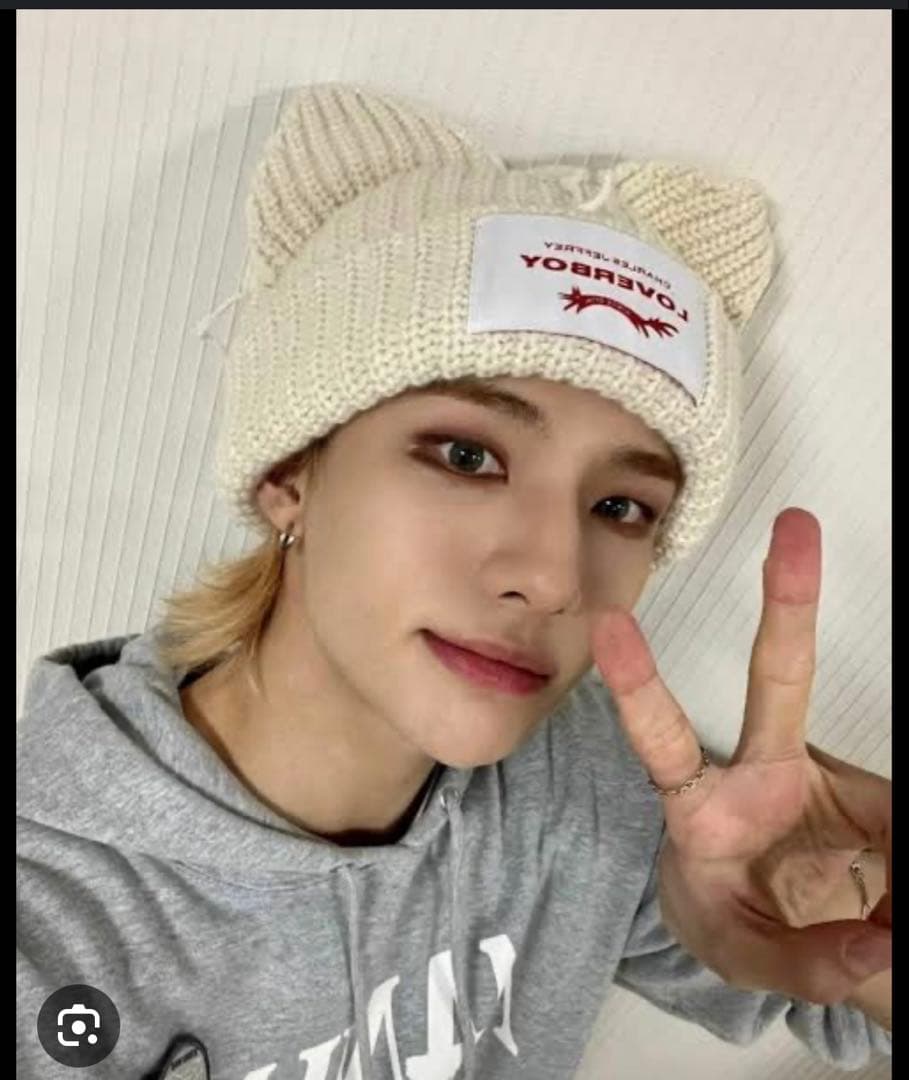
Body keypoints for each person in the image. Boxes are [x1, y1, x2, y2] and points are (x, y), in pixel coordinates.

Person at [17, 83, 891, 1080]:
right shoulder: (50, 918)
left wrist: (843, 908)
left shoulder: (589, 790)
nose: (552, 577)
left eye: (620, 507)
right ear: (289, 474)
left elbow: (845, 1003)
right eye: (467, 457)